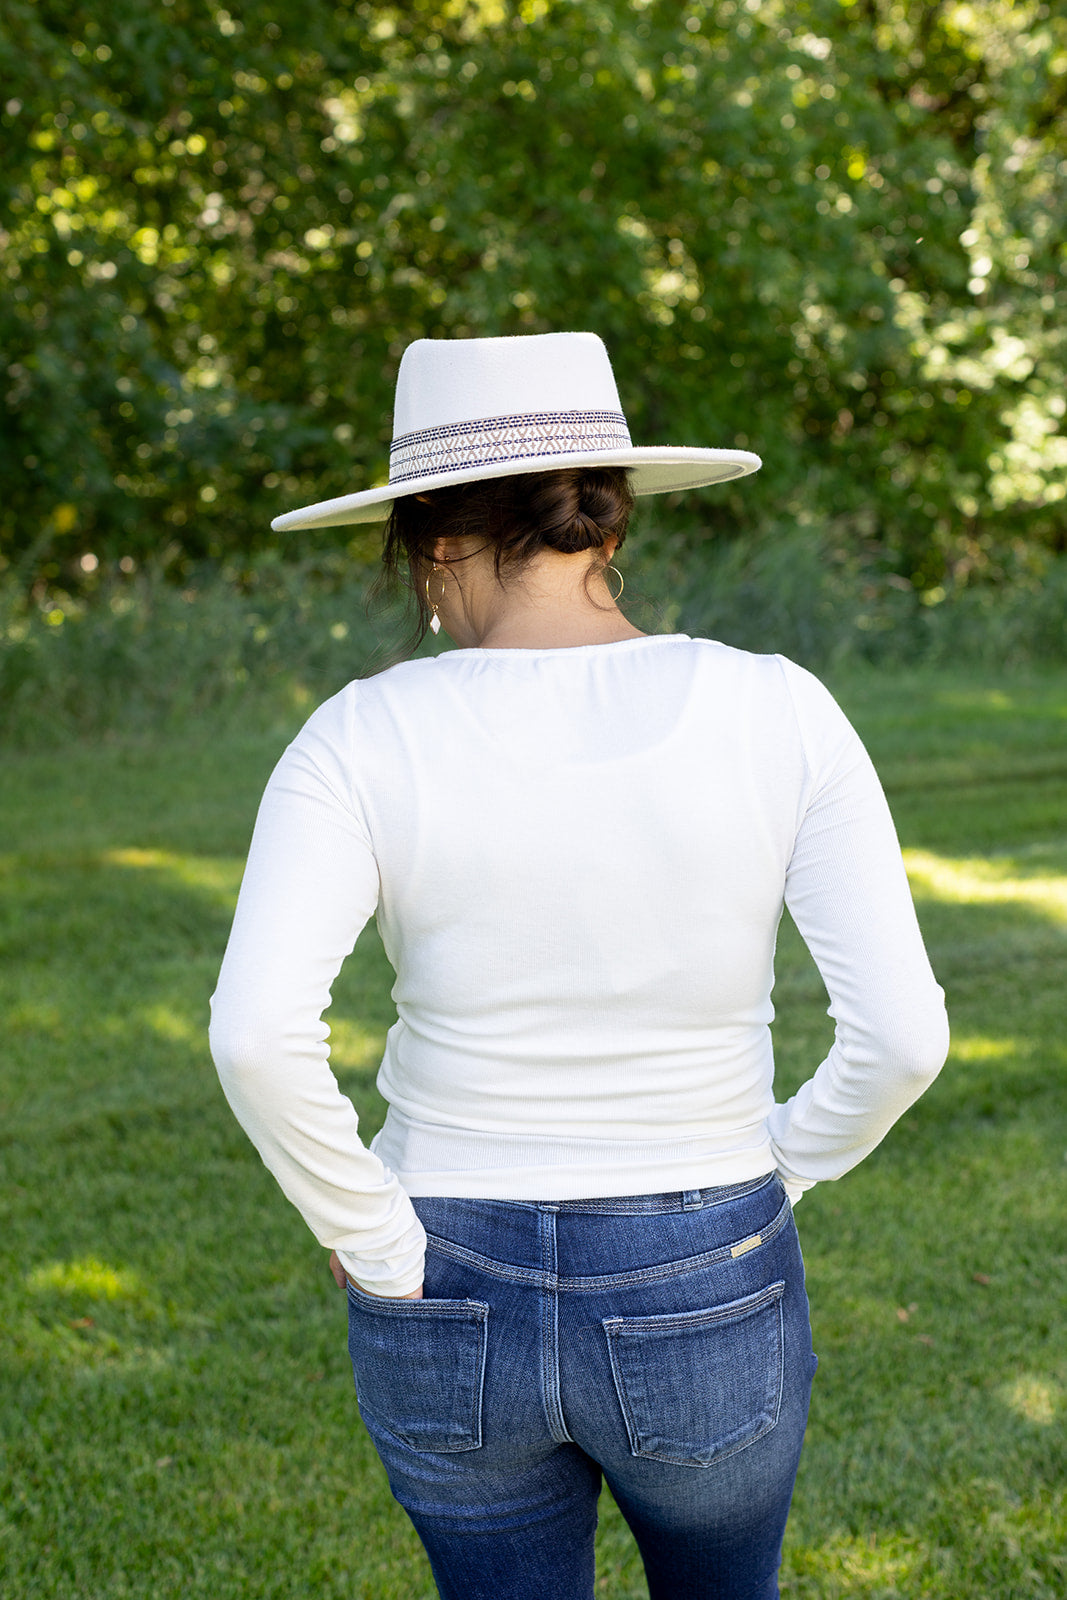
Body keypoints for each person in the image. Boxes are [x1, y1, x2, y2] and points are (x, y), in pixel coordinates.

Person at [209, 331, 949, 1600]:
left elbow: (254, 1034)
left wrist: (373, 1234)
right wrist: (776, 1168)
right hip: (705, 1252)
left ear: (430, 534)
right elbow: (901, 1038)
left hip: (441, 1270)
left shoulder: (360, 733)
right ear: (608, 519)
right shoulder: (775, 707)